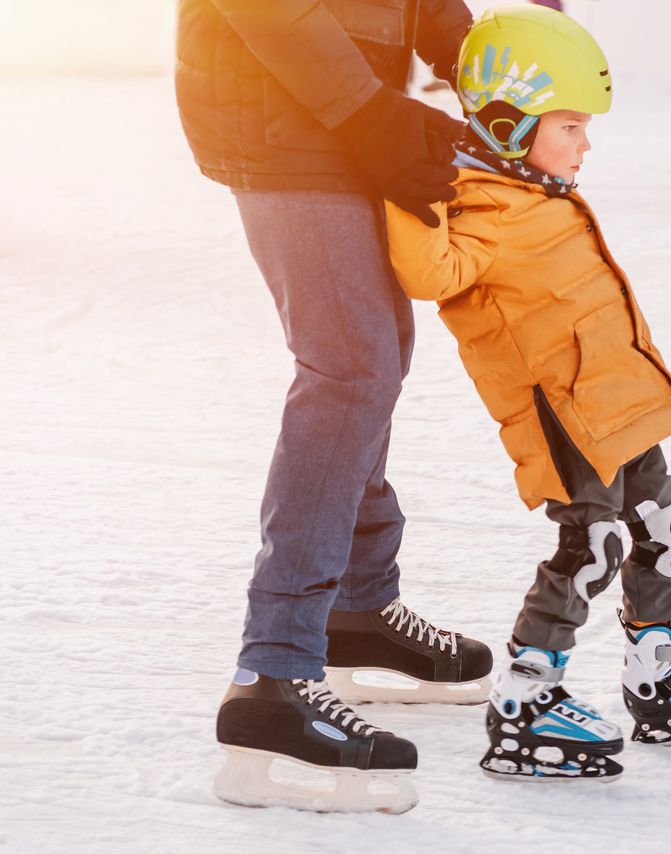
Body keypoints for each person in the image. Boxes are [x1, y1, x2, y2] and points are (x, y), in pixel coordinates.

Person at [385, 5, 671, 782]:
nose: (585, 144)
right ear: (506, 125)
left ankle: (661, 675)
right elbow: (430, 272)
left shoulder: (531, 188)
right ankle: (526, 703)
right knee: (592, 546)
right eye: (570, 126)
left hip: (618, 398)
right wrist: (406, 189)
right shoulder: (478, 202)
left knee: (666, 524)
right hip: (563, 412)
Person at [175, 0, 494, 814]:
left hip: (348, 111)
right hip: (282, 116)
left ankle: (356, 607)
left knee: (377, 355)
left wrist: (491, 74)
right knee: (351, 368)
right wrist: (370, 114)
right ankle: (272, 676)